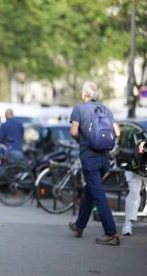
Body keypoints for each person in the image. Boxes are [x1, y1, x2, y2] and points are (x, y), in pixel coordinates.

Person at [68, 80, 121, 246]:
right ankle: (79, 225)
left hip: (89, 158)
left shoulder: (79, 109)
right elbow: (117, 132)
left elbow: (73, 131)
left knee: (98, 195)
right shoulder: (106, 109)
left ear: (84, 94)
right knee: (91, 191)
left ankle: (111, 233)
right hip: (105, 159)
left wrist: (83, 141)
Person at [122, 140, 147, 235]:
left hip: (144, 171)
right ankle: (127, 224)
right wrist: (141, 149)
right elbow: (137, 158)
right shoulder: (142, 147)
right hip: (134, 171)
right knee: (134, 194)